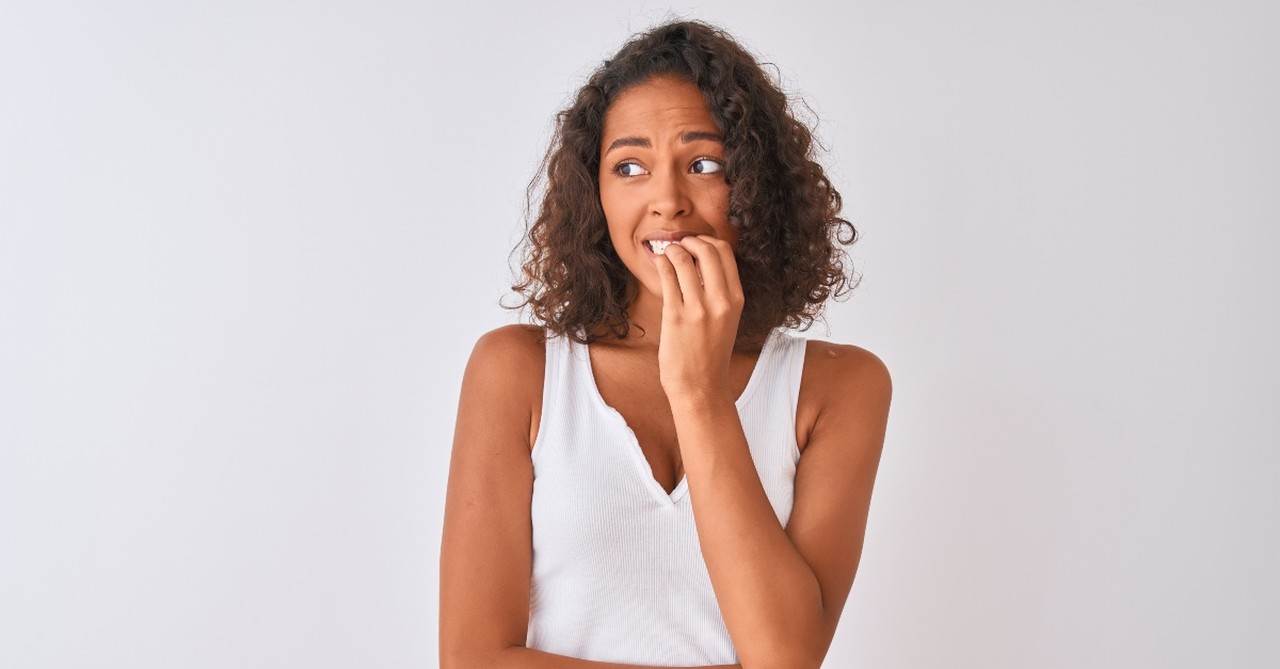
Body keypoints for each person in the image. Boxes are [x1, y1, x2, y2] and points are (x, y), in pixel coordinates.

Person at [439, 20, 891, 669]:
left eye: (703, 163)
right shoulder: (517, 371)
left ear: (756, 184)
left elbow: (788, 656)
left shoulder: (839, 387)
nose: (666, 200)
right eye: (630, 166)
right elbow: (472, 658)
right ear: (595, 191)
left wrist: (699, 391)